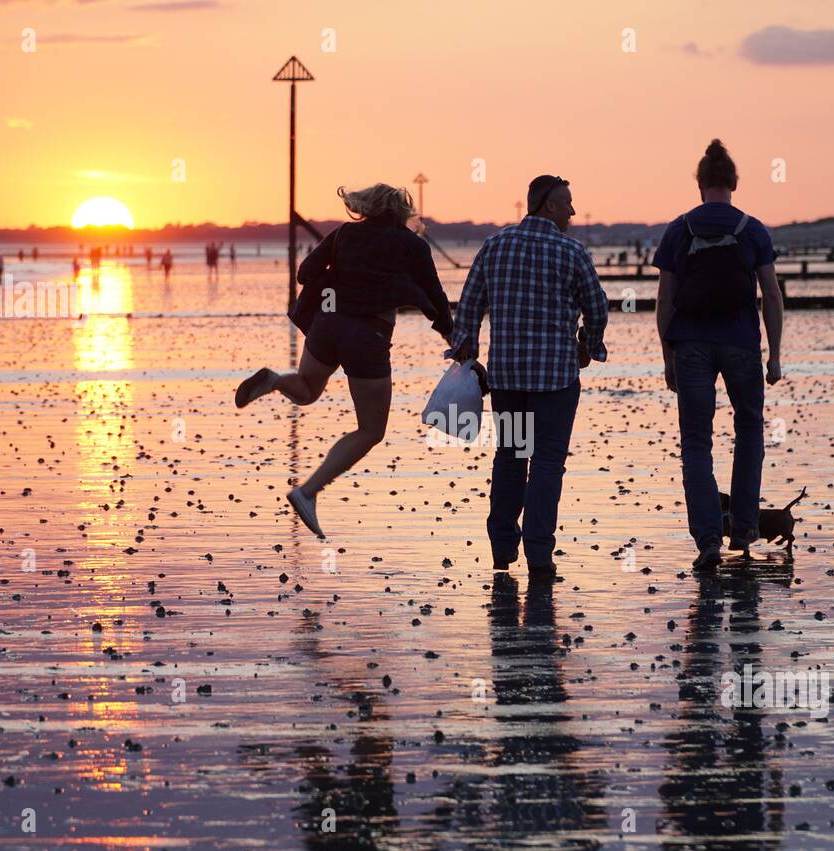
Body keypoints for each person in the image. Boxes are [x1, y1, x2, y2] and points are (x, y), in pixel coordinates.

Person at [234, 183, 454, 538]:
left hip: (327, 322)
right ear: (400, 211)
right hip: (368, 336)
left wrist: (340, 279)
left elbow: (305, 273)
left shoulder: (345, 234)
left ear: (365, 206)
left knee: (306, 390)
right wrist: (451, 336)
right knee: (370, 430)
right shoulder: (412, 245)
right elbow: (435, 295)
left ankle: (274, 380)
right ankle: (307, 491)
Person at [450, 175, 609, 582]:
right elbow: (598, 307)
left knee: (511, 456)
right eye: (568, 203)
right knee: (547, 463)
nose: (573, 211)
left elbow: (469, 307)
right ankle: (539, 554)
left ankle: (503, 550)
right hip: (555, 380)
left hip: (508, 379)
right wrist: (588, 346)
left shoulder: (495, 246)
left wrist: (466, 352)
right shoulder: (571, 251)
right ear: (549, 206)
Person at [652, 139, 783, 571]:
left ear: (700, 183)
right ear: (733, 182)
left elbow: (665, 299)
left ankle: (708, 538)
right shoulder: (752, 228)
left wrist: (668, 355)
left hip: (691, 344)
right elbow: (771, 295)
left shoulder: (679, 229)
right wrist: (775, 354)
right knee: (749, 431)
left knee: (696, 441)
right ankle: (744, 530)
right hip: (742, 343)